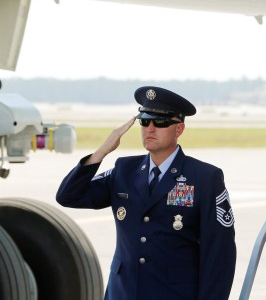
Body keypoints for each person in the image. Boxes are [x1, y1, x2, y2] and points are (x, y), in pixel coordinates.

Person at [56, 86, 236, 300]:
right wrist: (101, 152)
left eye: (160, 122)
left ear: (179, 129)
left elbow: (219, 255)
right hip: (123, 292)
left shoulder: (205, 177)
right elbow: (68, 196)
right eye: (145, 120)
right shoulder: (124, 170)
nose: (150, 128)